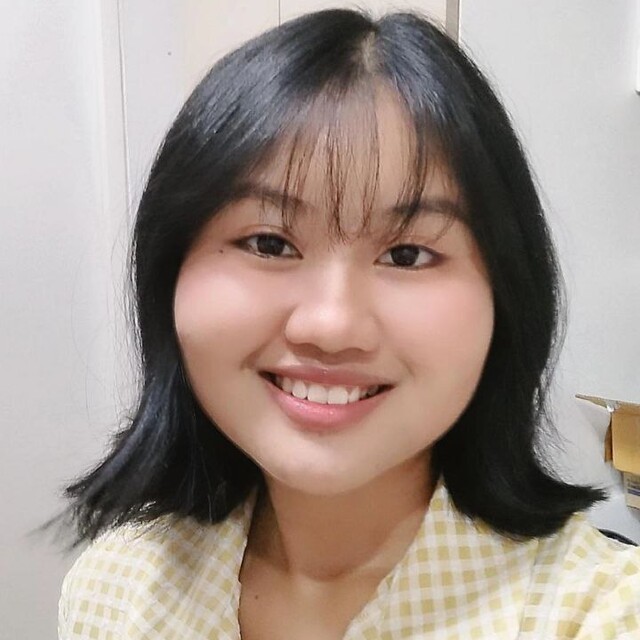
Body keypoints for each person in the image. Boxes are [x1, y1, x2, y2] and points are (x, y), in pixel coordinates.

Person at [57, 8, 640, 639]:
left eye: (407, 254)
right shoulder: (114, 592)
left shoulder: (601, 616)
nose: (331, 325)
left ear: (506, 292)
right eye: (269, 243)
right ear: (169, 272)